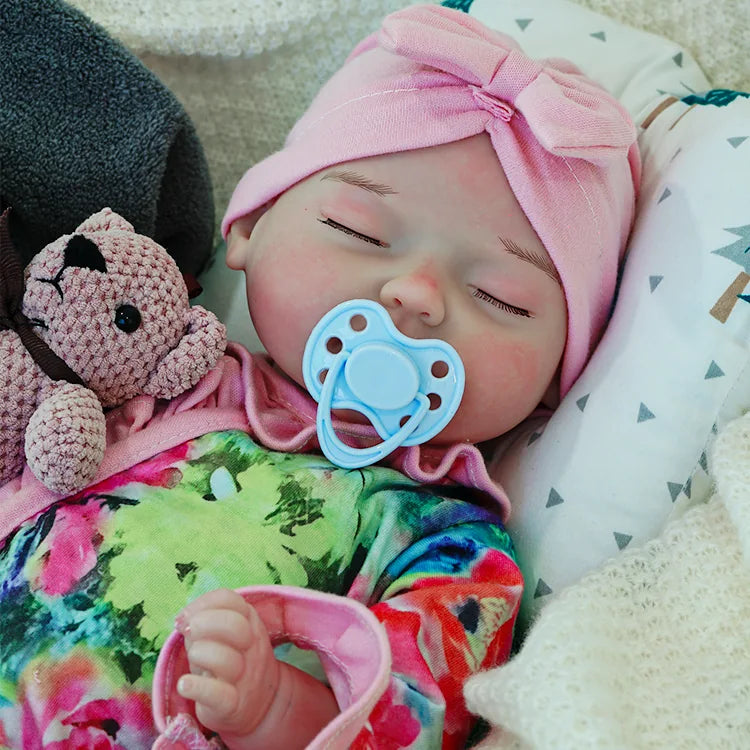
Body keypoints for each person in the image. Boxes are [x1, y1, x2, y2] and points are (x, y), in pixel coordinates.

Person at [0, 5, 639, 750]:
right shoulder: (147, 360)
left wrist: (275, 708)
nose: (416, 294)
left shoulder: (449, 545)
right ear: (249, 226)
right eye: (359, 231)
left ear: (554, 385)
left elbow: (414, 719)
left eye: (500, 296)